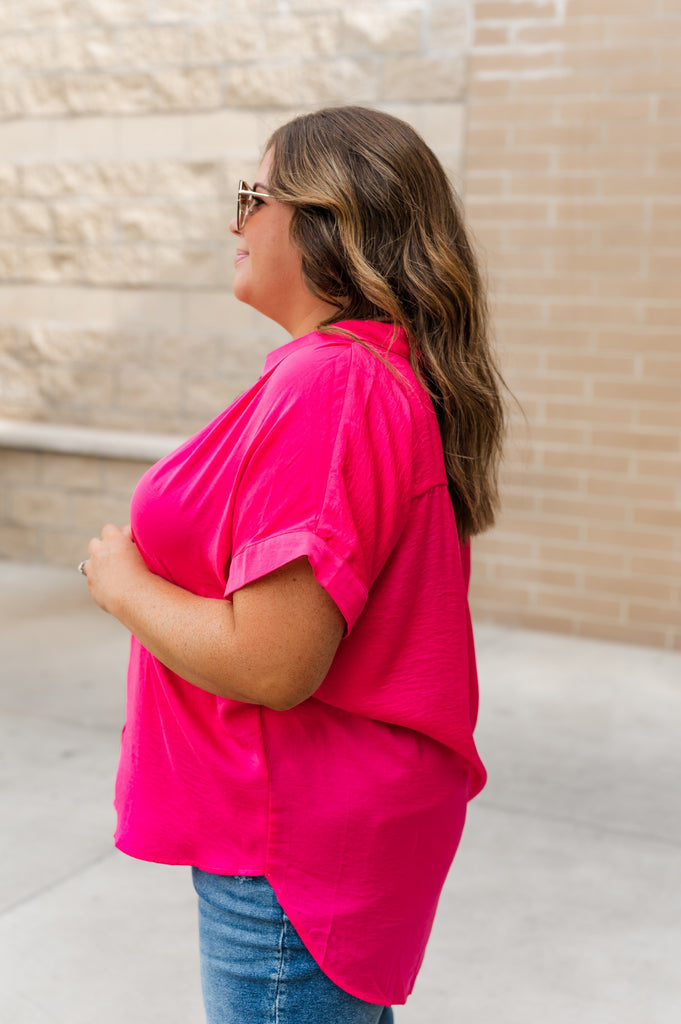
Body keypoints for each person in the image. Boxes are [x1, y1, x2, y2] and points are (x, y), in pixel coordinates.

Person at [81, 105, 506, 1024]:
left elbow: (271, 663)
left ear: (326, 218)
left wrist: (123, 586)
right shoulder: (362, 373)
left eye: (252, 194)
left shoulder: (334, 384)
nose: (234, 223)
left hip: (287, 849)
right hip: (302, 836)